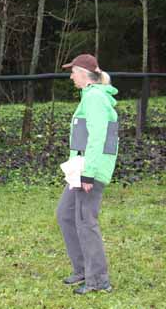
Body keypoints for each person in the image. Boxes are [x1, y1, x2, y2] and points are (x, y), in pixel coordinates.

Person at [56, 54, 119, 294]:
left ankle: (98, 281)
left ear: (83, 73)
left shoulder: (95, 98)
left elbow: (97, 138)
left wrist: (88, 174)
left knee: (86, 222)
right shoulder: (90, 97)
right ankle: (82, 269)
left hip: (89, 170)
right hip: (81, 167)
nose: (71, 76)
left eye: (73, 72)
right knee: (65, 214)